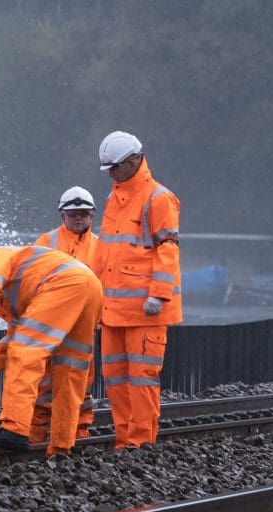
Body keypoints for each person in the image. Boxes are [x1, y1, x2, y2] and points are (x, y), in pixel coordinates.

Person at [0, 245, 103, 457]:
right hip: (89, 285)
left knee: (24, 353)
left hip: (63, 283)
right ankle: (61, 445)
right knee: (70, 368)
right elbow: (17, 334)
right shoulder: (23, 274)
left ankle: (14, 429)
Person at [93, 131, 182, 450]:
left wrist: (158, 295)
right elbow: (104, 252)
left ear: (134, 161)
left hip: (146, 312)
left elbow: (167, 248)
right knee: (116, 380)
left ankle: (141, 443)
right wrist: (93, 297)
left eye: (115, 168)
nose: (112, 174)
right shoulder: (113, 198)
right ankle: (124, 440)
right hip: (113, 312)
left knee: (142, 379)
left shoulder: (158, 198)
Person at [29, 186, 100, 443]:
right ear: (62, 216)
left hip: (83, 327)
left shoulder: (101, 247)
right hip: (50, 323)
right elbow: (32, 279)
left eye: (83, 213)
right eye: (73, 214)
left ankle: (79, 431)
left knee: (81, 382)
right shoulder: (46, 242)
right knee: (43, 382)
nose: (78, 218)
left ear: (92, 216)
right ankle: (37, 431)